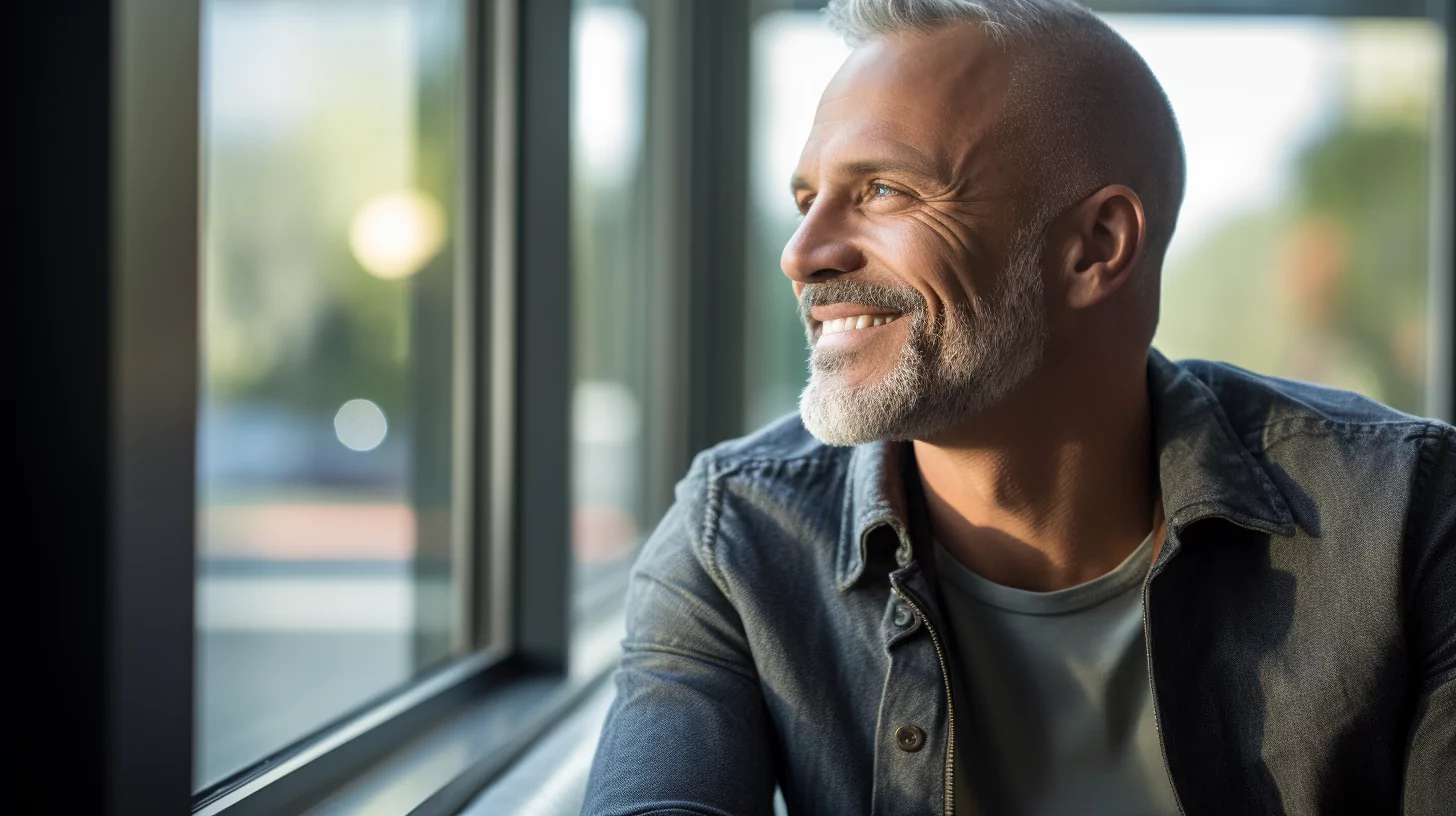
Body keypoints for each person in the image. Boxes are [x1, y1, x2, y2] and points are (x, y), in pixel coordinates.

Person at [582, 0, 1455, 813]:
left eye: (883, 190)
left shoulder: (1403, 513)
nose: (801, 254)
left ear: (1097, 246)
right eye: (808, 201)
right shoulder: (736, 538)